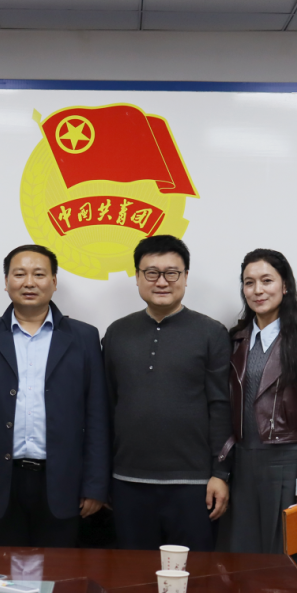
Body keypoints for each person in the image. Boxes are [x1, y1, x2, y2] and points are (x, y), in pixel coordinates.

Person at [0, 244, 109, 547]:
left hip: (63, 481)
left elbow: (97, 416)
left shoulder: (84, 337)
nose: (29, 282)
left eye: (39, 274)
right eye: (19, 274)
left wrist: (95, 485)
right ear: (6, 281)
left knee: (59, 570)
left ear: (54, 281)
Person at [103, 235, 231, 551]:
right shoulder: (117, 333)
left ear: (185, 277)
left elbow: (221, 407)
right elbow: (107, 406)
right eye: (151, 273)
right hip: (127, 481)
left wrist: (220, 473)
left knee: (194, 574)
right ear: (137, 277)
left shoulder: (211, 332)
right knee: (132, 574)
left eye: (171, 273)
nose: (162, 282)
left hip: (194, 484)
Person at [217, 249, 297, 589]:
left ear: (285, 286)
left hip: (288, 464)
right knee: (242, 566)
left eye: (267, 281)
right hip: (242, 465)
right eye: (249, 282)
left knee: (291, 568)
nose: (257, 290)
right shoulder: (235, 339)